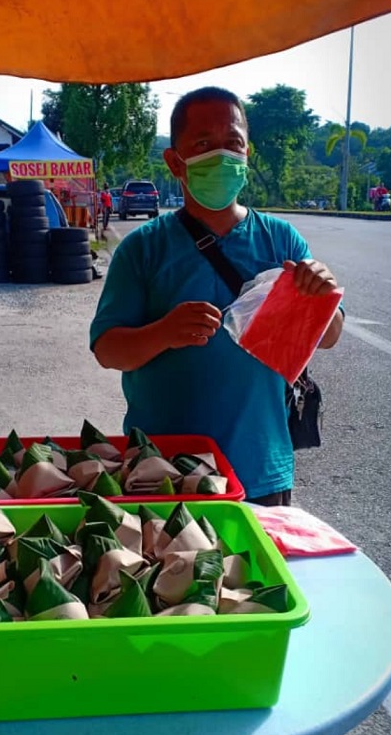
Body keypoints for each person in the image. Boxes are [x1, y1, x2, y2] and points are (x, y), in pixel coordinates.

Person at [89, 86, 343, 505]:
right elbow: (108, 350)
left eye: (233, 144)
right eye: (204, 145)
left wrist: (322, 294)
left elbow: (328, 335)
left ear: (247, 155)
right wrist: (164, 332)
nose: (222, 157)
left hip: (259, 468)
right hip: (163, 472)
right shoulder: (144, 249)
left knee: (257, 571)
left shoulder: (281, 241)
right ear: (175, 162)